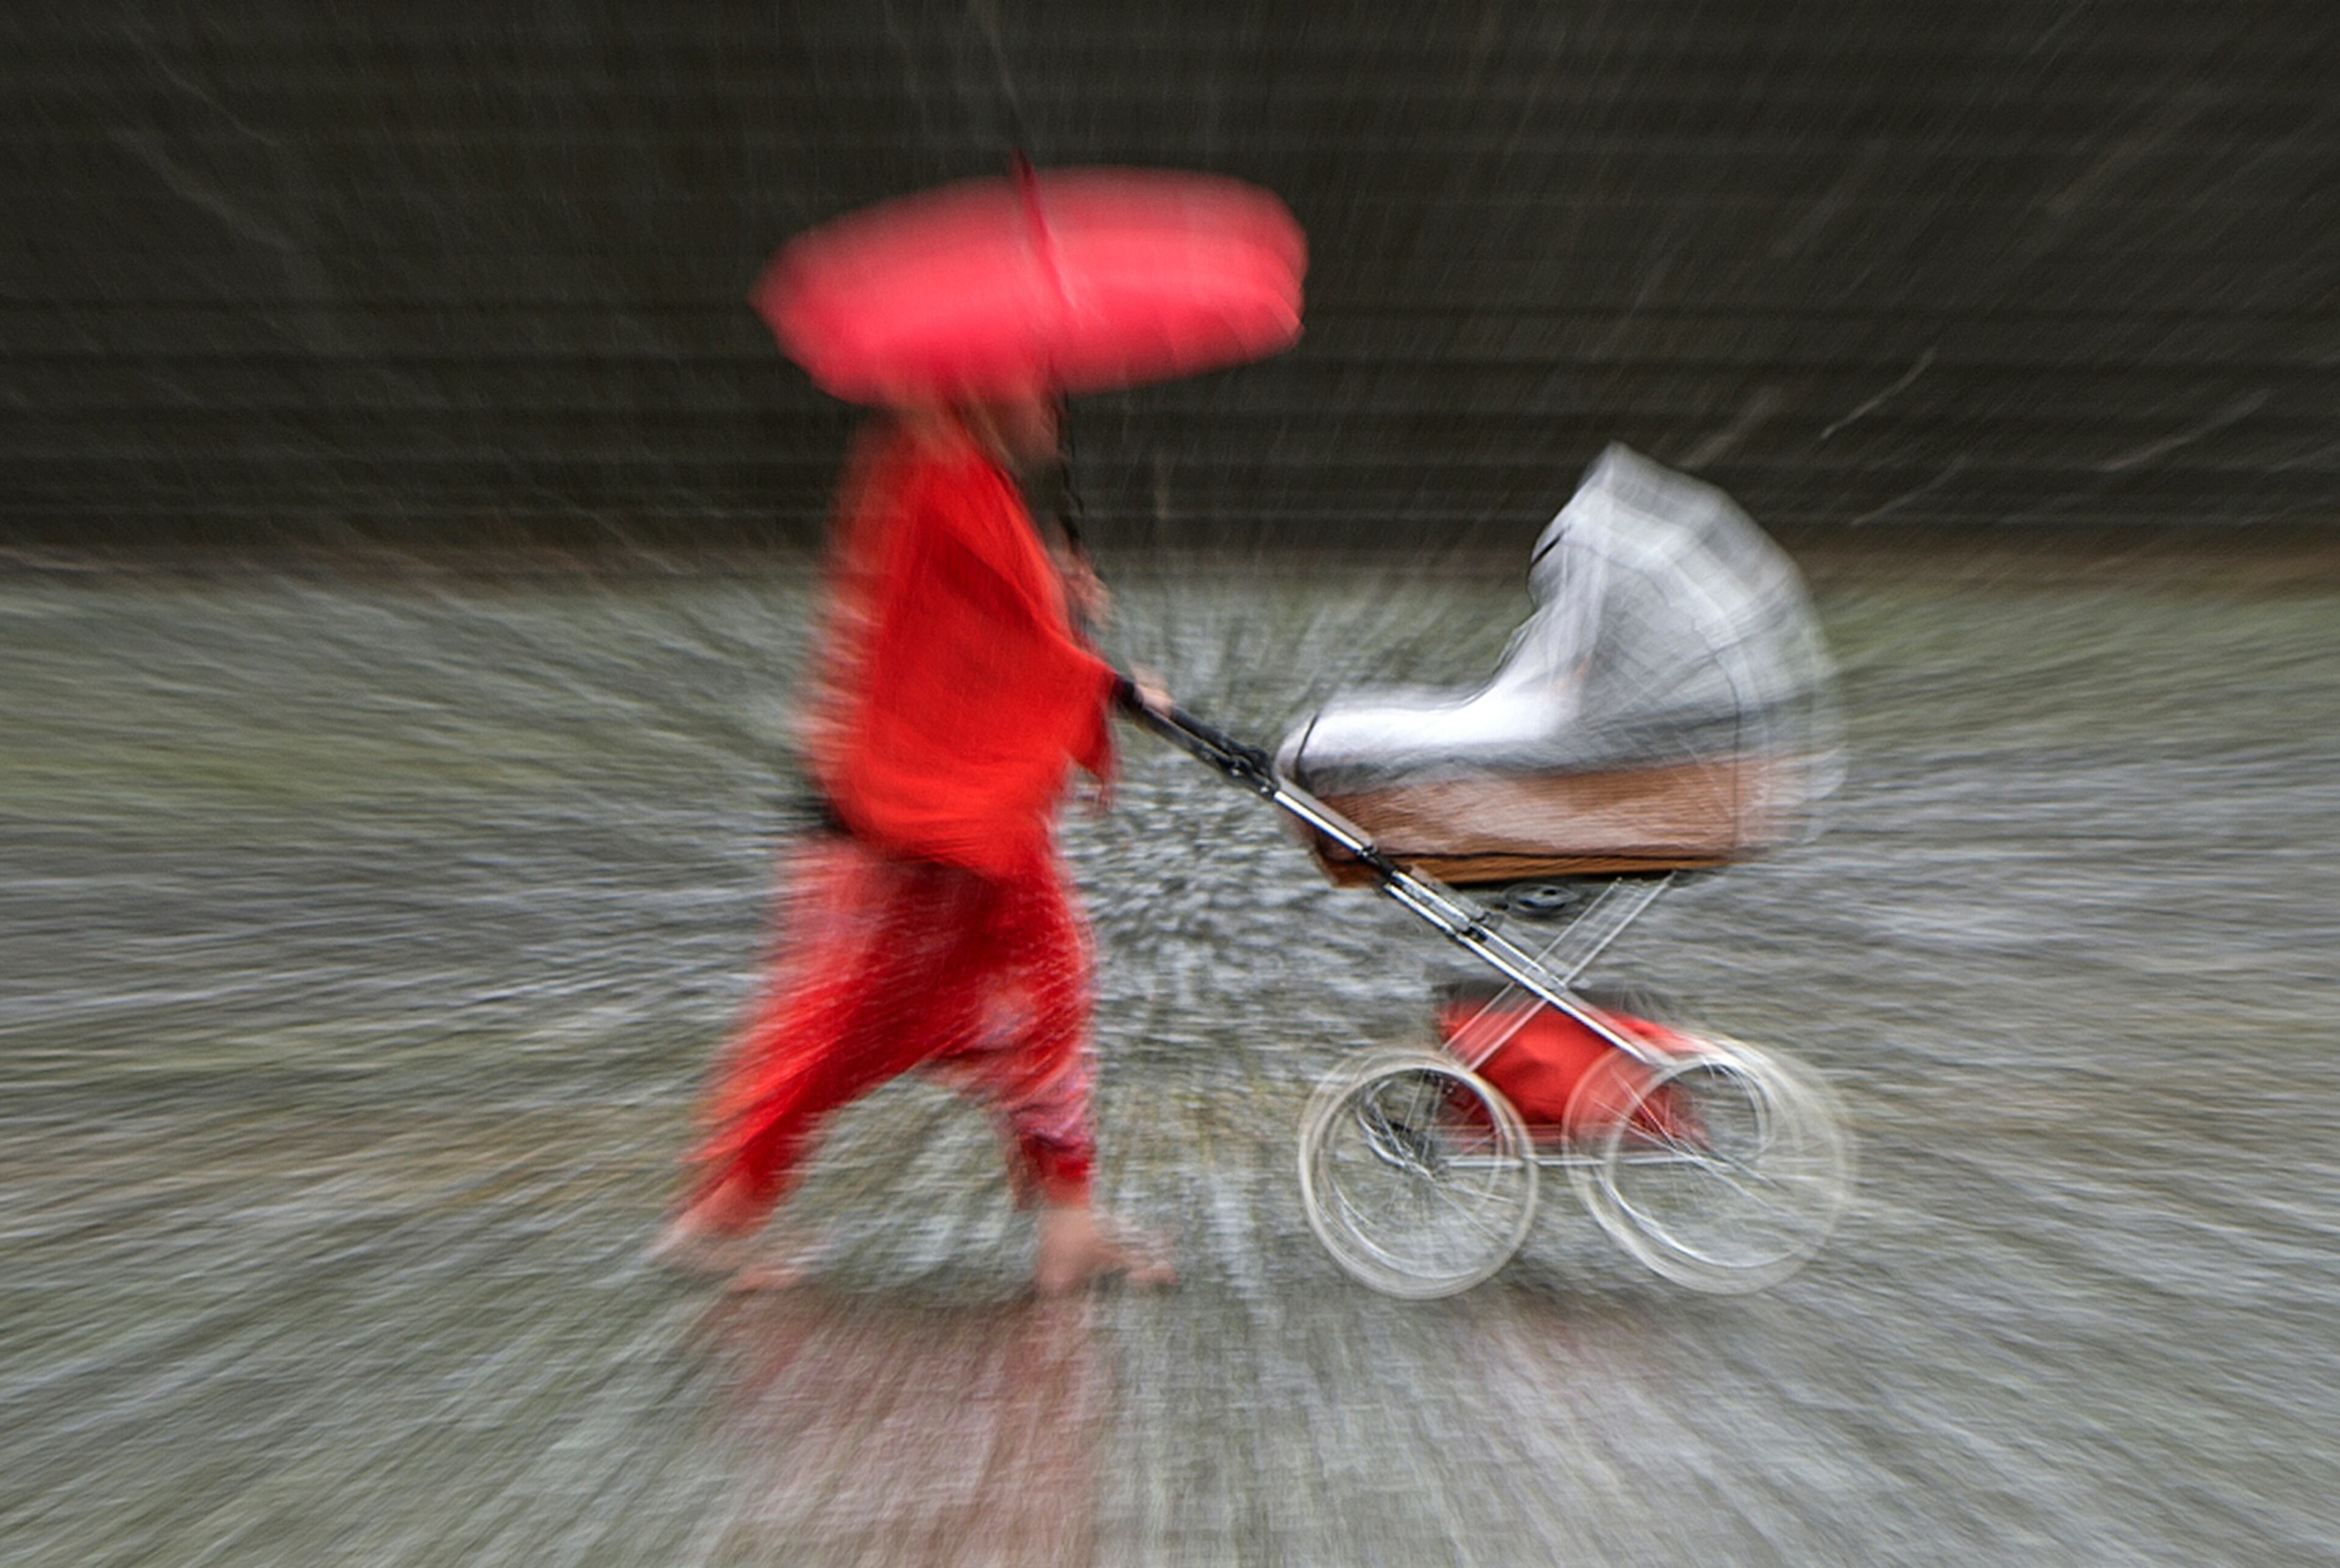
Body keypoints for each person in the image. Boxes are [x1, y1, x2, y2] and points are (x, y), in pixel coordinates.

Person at [652, 394, 1172, 1294]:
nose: (1052, 407)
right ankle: (718, 1212)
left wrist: (1056, 600)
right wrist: (1112, 683)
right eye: (1035, 386)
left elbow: (983, 623)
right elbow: (975, 640)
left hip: (949, 809)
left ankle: (1069, 1224)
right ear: (984, 387)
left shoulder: (954, 476)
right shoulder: (945, 478)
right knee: (849, 1018)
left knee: (1047, 979)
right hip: (904, 816)